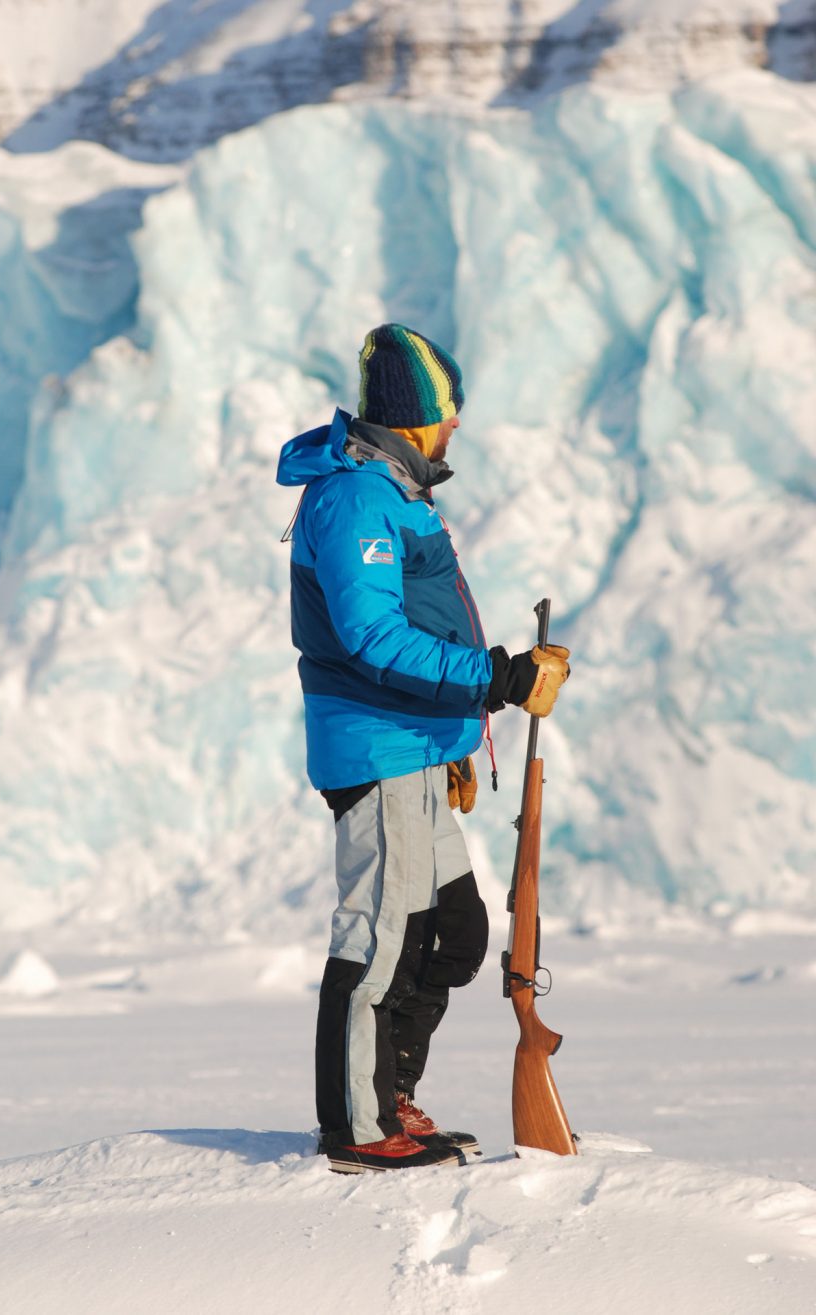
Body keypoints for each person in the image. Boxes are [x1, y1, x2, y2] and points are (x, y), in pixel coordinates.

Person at [276, 324, 570, 1173]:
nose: (456, 429)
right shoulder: (360, 500)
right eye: (449, 413)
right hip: (376, 747)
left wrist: (455, 739)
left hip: (413, 745)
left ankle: (389, 1096)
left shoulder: (395, 492)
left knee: (450, 933)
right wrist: (498, 678)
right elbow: (374, 637)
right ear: (416, 418)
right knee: (380, 936)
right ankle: (360, 1129)